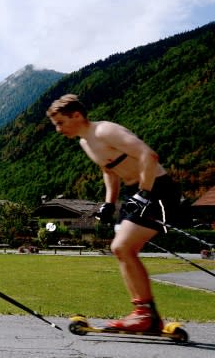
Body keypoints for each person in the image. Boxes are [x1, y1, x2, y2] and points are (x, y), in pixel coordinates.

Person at [46, 94, 180, 332]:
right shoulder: (85, 143)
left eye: (60, 123)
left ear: (76, 115)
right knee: (121, 250)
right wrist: (109, 203)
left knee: (122, 247)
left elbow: (149, 156)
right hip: (134, 192)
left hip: (157, 189)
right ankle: (146, 315)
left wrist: (144, 193)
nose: (58, 130)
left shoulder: (105, 131)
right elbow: (109, 170)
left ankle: (145, 315)